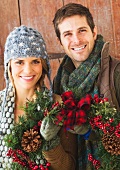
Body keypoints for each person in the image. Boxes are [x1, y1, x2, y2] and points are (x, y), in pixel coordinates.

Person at [52, 3, 120, 170]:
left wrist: (93, 133)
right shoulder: (59, 82)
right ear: (60, 41)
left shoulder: (116, 73)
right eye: (68, 34)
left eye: (82, 30)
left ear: (94, 32)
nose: (76, 40)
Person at [0, 25, 77, 170]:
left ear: (43, 64)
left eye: (35, 61)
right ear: (9, 65)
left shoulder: (57, 105)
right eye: (19, 62)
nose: (28, 70)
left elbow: (69, 166)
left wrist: (50, 141)